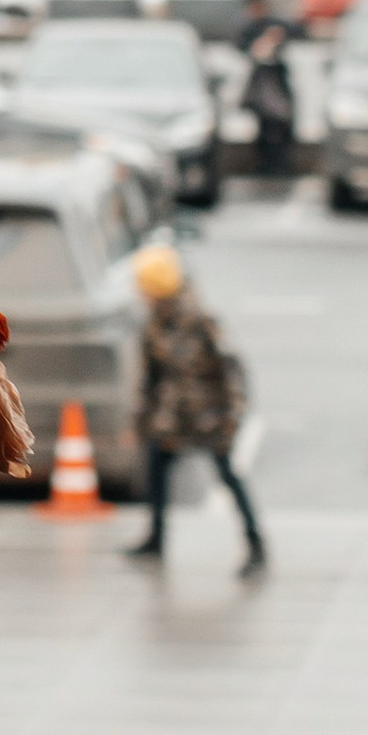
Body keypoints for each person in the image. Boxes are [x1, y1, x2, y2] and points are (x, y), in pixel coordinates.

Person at [123, 245, 266, 575]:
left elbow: (231, 370)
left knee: (228, 477)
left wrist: (233, 418)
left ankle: (256, 543)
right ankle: (156, 539)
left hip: (208, 417)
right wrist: (140, 421)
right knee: (156, 472)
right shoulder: (154, 323)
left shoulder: (200, 320)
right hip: (171, 419)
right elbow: (150, 378)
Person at [236, 0, 297, 180]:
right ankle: (265, 163)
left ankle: (282, 163)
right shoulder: (251, 28)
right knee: (263, 127)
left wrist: (277, 37)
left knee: (283, 124)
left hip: (277, 82)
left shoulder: (275, 24)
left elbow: (296, 30)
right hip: (260, 85)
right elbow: (240, 45)